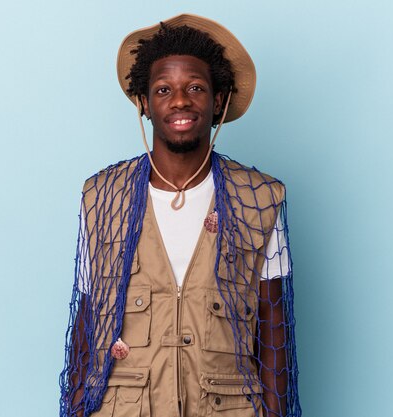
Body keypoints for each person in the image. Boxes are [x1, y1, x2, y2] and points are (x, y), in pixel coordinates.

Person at [59, 14, 301, 417]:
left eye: (195, 88)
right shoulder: (102, 197)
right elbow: (86, 326)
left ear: (218, 100)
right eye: (163, 89)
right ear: (144, 103)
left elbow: (273, 330)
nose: (180, 101)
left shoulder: (259, 197)